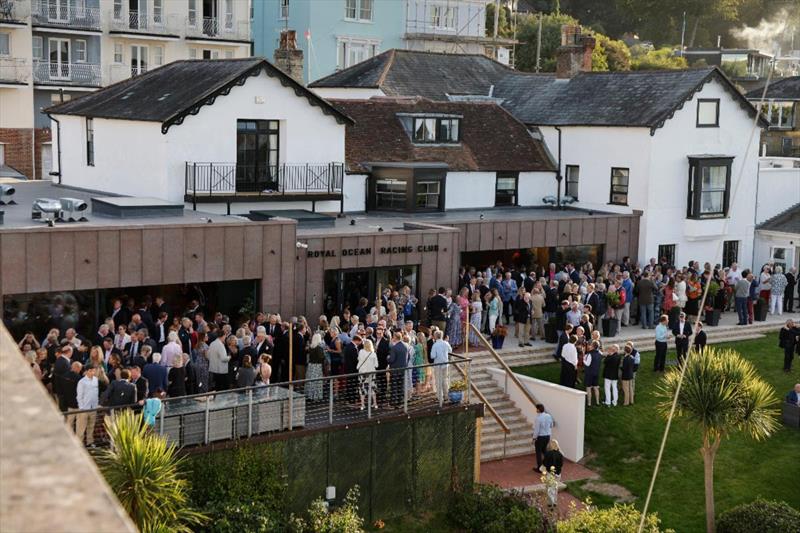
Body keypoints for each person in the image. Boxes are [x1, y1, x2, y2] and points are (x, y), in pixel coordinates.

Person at [430, 330, 451, 405]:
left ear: (435, 336)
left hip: (438, 365)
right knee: (445, 380)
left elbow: (432, 356)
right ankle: (446, 396)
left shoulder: (435, 345)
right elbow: (450, 350)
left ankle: (440, 398)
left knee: (438, 381)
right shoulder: (446, 343)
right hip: (445, 364)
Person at [541, 439, 564, 508]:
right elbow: (561, 465)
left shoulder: (548, 454)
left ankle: (550, 503)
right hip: (558, 474)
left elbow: (544, 463)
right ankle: (555, 502)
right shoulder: (560, 454)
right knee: (555, 488)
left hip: (550, 473)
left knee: (550, 488)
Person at [357, 338, 379, 410]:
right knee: (373, 388)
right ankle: (375, 403)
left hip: (362, 373)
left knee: (362, 388)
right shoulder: (373, 354)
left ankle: (362, 405)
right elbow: (376, 365)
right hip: (371, 373)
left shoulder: (361, 352)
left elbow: (359, 359)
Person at [387, 332, 407, 408]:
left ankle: (394, 402)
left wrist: (387, 358)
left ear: (395, 338)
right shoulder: (405, 346)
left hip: (395, 369)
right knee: (401, 386)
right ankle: (400, 401)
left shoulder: (394, 348)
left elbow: (391, 359)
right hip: (403, 369)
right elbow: (407, 358)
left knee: (394, 386)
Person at [532, 403, 553, 471]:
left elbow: (537, 430)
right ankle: (549, 464)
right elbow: (551, 425)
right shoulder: (548, 416)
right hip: (547, 436)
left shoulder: (538, 418)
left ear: (538, 409)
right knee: (544, 450)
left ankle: (540, 468)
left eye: (536, 409)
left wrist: (534, 438)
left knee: (538, 453)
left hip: (540, 437)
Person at [306, 334, 324, 401]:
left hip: (311, 366)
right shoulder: (319, 348)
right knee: (317, 381)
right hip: (317, 366)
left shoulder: (311, 347)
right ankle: (316, 396)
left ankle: (310, 395)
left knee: (310, 381)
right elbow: (321, 357)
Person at [583, 340, 602, 406]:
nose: (589, 346)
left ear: (593, 346)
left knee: (588, 388)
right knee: (596, 387)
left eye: (590, 345)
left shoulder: (590, 354)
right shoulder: (600, 353)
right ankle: (597, 402)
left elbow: (587, 364)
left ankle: (589, 403)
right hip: (596, 372)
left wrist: (584, 359)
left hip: (589, 373)